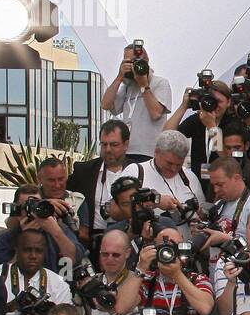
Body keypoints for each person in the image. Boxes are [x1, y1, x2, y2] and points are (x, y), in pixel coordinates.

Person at [114, 224, 215, 315]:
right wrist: (140, 267)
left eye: (174, 247)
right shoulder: (147, 281)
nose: (169, 252)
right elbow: (121, 307)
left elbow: (205, 307)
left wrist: (177, 274)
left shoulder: (197, 279)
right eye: (163, 247)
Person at [68, 119, 140, 249]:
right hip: (92, 242)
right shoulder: (83, 171)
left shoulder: (139, 170)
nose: (107, 149)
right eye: (104, 144)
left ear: (126, 144)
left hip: (129, 240)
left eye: (114, 144)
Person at [100, 41, 174, 160]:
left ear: (146, 62)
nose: (133, 66)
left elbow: (156, 113)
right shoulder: (127, 86)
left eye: (136, 61)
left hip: (150, 152)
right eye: (128, 62)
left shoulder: (160, 83)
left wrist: (143, 85)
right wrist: (119, 77)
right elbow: (105, 104)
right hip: (126, 151)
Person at [131, 131, 207, 235]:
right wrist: (156, 201)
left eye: (179, 164)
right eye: (169, 163)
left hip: (186, 245)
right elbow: (116, 210)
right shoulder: (136, 171)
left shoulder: (190, 177)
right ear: (156, 152)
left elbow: (202, 212)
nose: (173, 169)